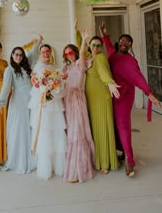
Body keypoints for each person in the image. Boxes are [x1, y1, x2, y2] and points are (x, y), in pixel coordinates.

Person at [99, 22, 162, 177]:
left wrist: (149, 93)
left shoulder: (130, 61)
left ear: (130, 45)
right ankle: (119, 152)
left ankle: (129, 159)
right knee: (112, 124)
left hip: (125, 97)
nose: (124, 42)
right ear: (118, 42)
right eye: (122, 40)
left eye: (127, 41)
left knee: (123, 126)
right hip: (112, 95)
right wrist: (103, 34)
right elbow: (107, 45)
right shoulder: (113, 55)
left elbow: (139, 79)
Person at [0, 36, 43, 174]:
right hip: (18, 102)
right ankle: (18, 159)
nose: (19, 57)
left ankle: (31, 156)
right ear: (12, 55)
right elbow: (5, 87)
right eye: (16, 54)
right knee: (19, 129)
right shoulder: (9, 70)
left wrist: (38, 42)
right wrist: (0, 103)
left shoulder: (27, 66)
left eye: (21, 55)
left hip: (30, 100)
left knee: (30, 127)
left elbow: (32, 54)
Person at [28, 44, 67, 180]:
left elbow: (60, 86)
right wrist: (44, 87)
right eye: (43, 52)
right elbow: (37, 86)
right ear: (40, 54)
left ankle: (58, 166)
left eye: (47, 51)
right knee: (44, 131)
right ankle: (45, 167)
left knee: (55, 131)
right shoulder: (37, 68)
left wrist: (54, 87)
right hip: (43, 104)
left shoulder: (55, 68)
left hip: (54, 103)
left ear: (51, 52)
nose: (45, 53)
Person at [62, 30, 95, 183]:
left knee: (78, 132)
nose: (69, 55)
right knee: (70, 131)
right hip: (67, 100)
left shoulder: (79, 64)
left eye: (71, 52)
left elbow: (82, 55)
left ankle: (78, 168)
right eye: (66, 54)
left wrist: (83, 41)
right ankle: (70, 163)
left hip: (77, 99)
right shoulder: (66, 69)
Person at [85, 35, 120, 174]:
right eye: (93, 45)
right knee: (95, 127)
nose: (95, 48)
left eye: (98, 46)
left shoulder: (100, 58)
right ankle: (98, 159)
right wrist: (77, 33)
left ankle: (105, 162)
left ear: (101, 47)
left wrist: (110, 84)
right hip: (92, 97)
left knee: (102, 128)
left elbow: (104, 73)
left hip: (101, 96)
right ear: (89, 46)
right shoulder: (89, 56)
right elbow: (80, 46)